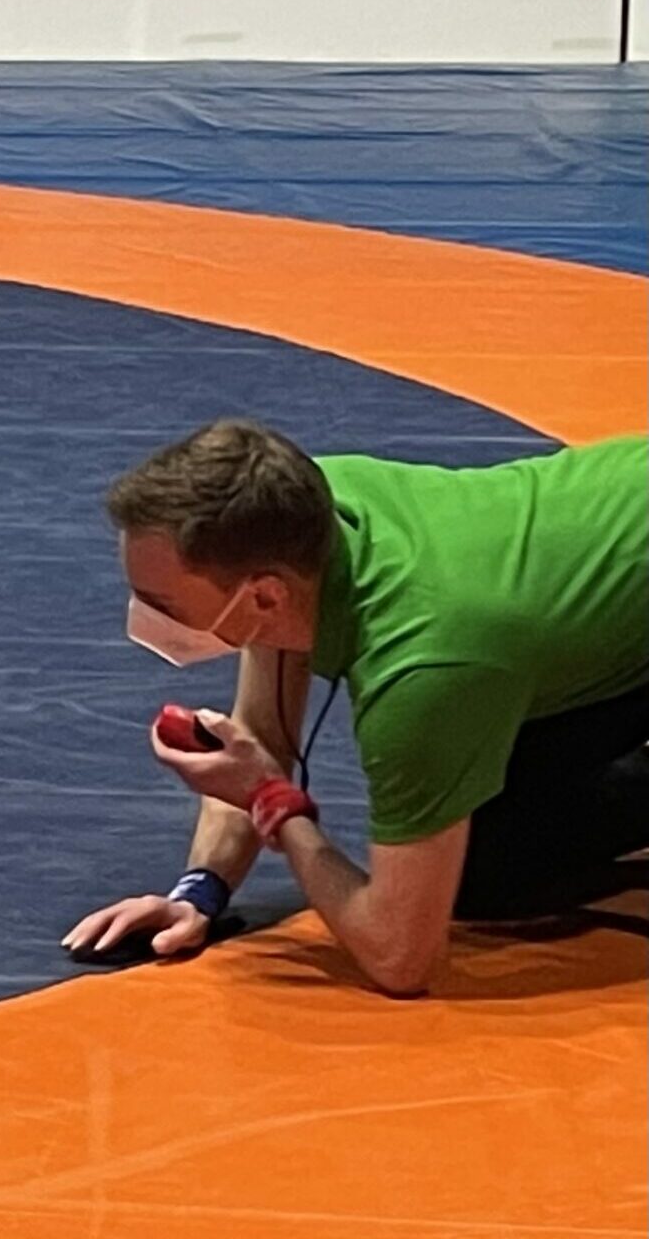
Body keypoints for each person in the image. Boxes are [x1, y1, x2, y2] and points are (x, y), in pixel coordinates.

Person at [63, 421, 648, 994]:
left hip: (528, 616)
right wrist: (200, 892)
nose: (143, 617)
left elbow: (400, 958)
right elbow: (261, 735)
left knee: (488, 870)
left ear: (264, 596)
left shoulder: (420, 668)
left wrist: (273, 803)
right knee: (477, 849)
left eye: (160, 602)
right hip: (588, 578)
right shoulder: (292, 520)